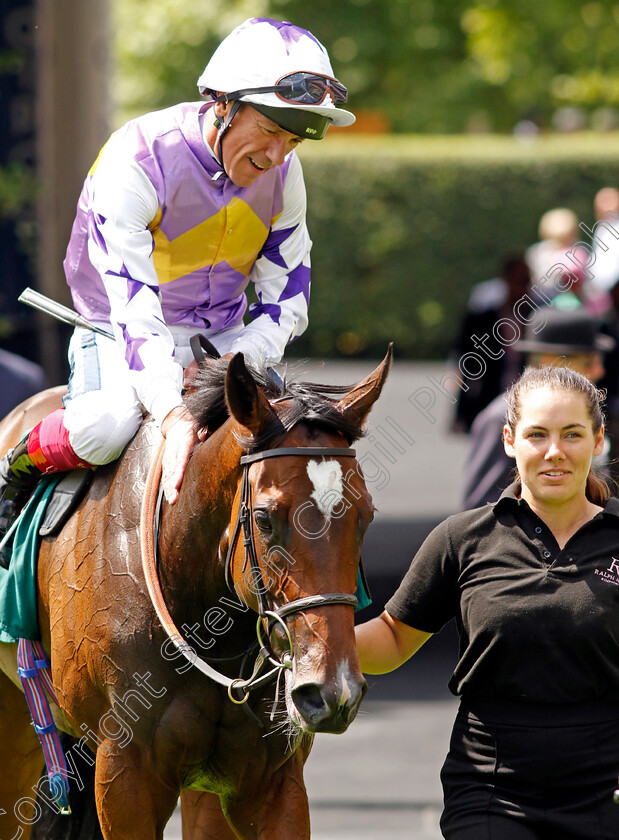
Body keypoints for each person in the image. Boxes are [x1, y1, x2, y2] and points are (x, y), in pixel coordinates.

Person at [0, 18, 355, 547]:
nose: (280, 156)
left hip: (224, 342)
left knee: (309, 444)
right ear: (222, 103)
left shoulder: (286, 177)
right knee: (108, 427)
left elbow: (287, 302)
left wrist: (237, 365)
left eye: (297, 138)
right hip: (117, 330)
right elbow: (135, 311)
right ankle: (14, 470)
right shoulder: (136, 159)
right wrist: (174, 410)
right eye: (272, 130)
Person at [356, 365, 619, 839]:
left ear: (598, 441)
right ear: (508, 440)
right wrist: (304, 637)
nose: (554, 452)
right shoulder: (462, 539)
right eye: (536, 434)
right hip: (491, 791)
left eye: (572, 434)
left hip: (606, 789)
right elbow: (393, 639)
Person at [461, 307, 613, 510]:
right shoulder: (500, 416)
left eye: (573, 434)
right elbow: (479, 510)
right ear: (551, 362)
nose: (598, 370)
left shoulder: (588, 410)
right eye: (536, 434)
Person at [450, 254, 531, 433]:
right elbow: (468, 366)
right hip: (488, 397)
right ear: (506, 279)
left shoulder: (537, 318)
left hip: (528, 399)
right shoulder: (481, 321)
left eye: (525, 280)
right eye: (516, 279)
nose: (521, 287)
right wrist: (460, 413)